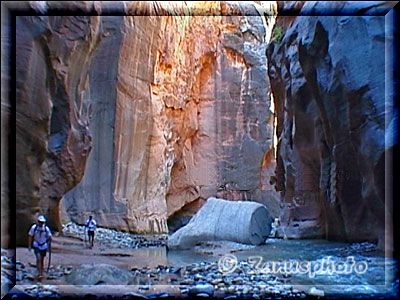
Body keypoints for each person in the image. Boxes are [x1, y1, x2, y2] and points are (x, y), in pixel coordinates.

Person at [28, 215, 52, 280]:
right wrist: (30, 245)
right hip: (36, 245)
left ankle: (41, 271)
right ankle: (39, 272)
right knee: (38, 258)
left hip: (44, 245)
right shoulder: (34, 228)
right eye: (40, 222)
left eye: (42, 222)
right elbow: (30, 236)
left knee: (42, 259)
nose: (41, 223)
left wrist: (49, 243)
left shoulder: (46, 229)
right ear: (38, 222)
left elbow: (49, 237)